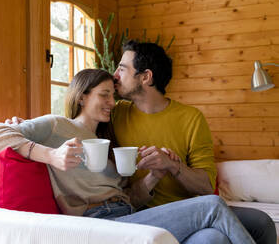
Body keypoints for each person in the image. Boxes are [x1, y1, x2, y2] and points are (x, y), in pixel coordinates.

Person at [0, 68, 255, 244]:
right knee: (212, 204)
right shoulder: (57, 126)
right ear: (82, 97)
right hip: (99, 224)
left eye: (113, 96)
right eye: (105, 95)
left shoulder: (108, 144)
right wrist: (51, 155)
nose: (112, 103)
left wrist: (155, 176)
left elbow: (130, 198)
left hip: (127, 215)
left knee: (211, 238)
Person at [111, 40, 277, 244]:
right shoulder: (114, 114)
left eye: (121, 69)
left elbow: (206, 188)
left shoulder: (191, 118)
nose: (114, 76)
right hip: (146, 216)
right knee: (213, 238)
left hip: (192, 210)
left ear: (146, 77)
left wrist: (173, 165)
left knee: (262, 221)